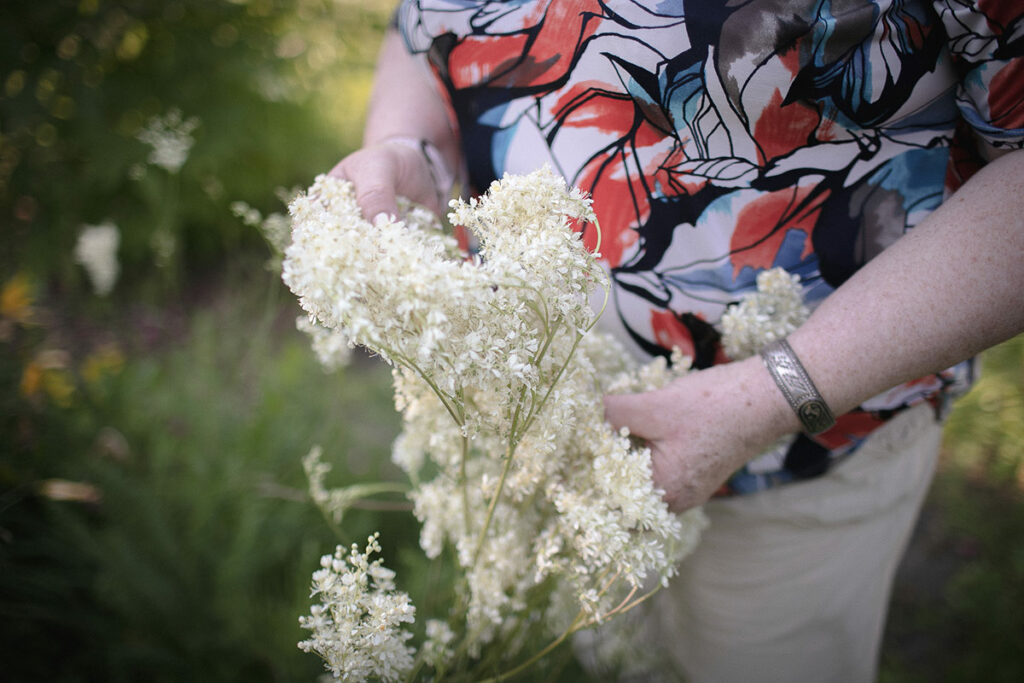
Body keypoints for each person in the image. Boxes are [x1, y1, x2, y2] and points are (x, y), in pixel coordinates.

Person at [329, 2, 1024, 680]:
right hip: (552, 445)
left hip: (802, 451)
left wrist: (773, 396)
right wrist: (405, 142)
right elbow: (420, 30)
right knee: (607, 654)